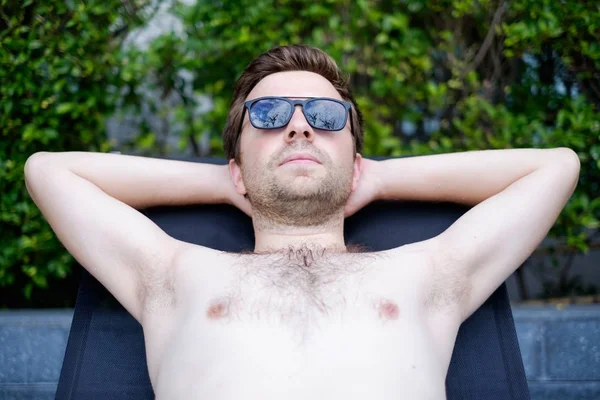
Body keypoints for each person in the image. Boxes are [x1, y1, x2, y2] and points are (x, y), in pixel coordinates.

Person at [24, 44, 580, 399]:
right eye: (267, 116)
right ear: (238, 165)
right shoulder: (173, 274)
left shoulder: (429, 273)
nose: (299, 127)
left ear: (355, 161)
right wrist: (223, 179)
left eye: (325, 116)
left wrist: (380, 178)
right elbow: (47, 171)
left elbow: (557, 166)